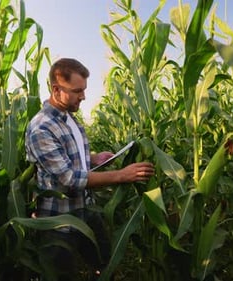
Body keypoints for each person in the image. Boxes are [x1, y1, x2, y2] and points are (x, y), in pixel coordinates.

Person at [25, 58, 155, 280]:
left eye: (84, 90)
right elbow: (69, 179)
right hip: (59, 221)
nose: (83, 96)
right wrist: (123, 175)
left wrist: (94, 158)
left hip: (86, 210)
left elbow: (67, 156)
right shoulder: (42, 127)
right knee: (60, 274)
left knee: (105, 263)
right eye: (77, 91)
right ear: (56, 89)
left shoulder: (69, 118)